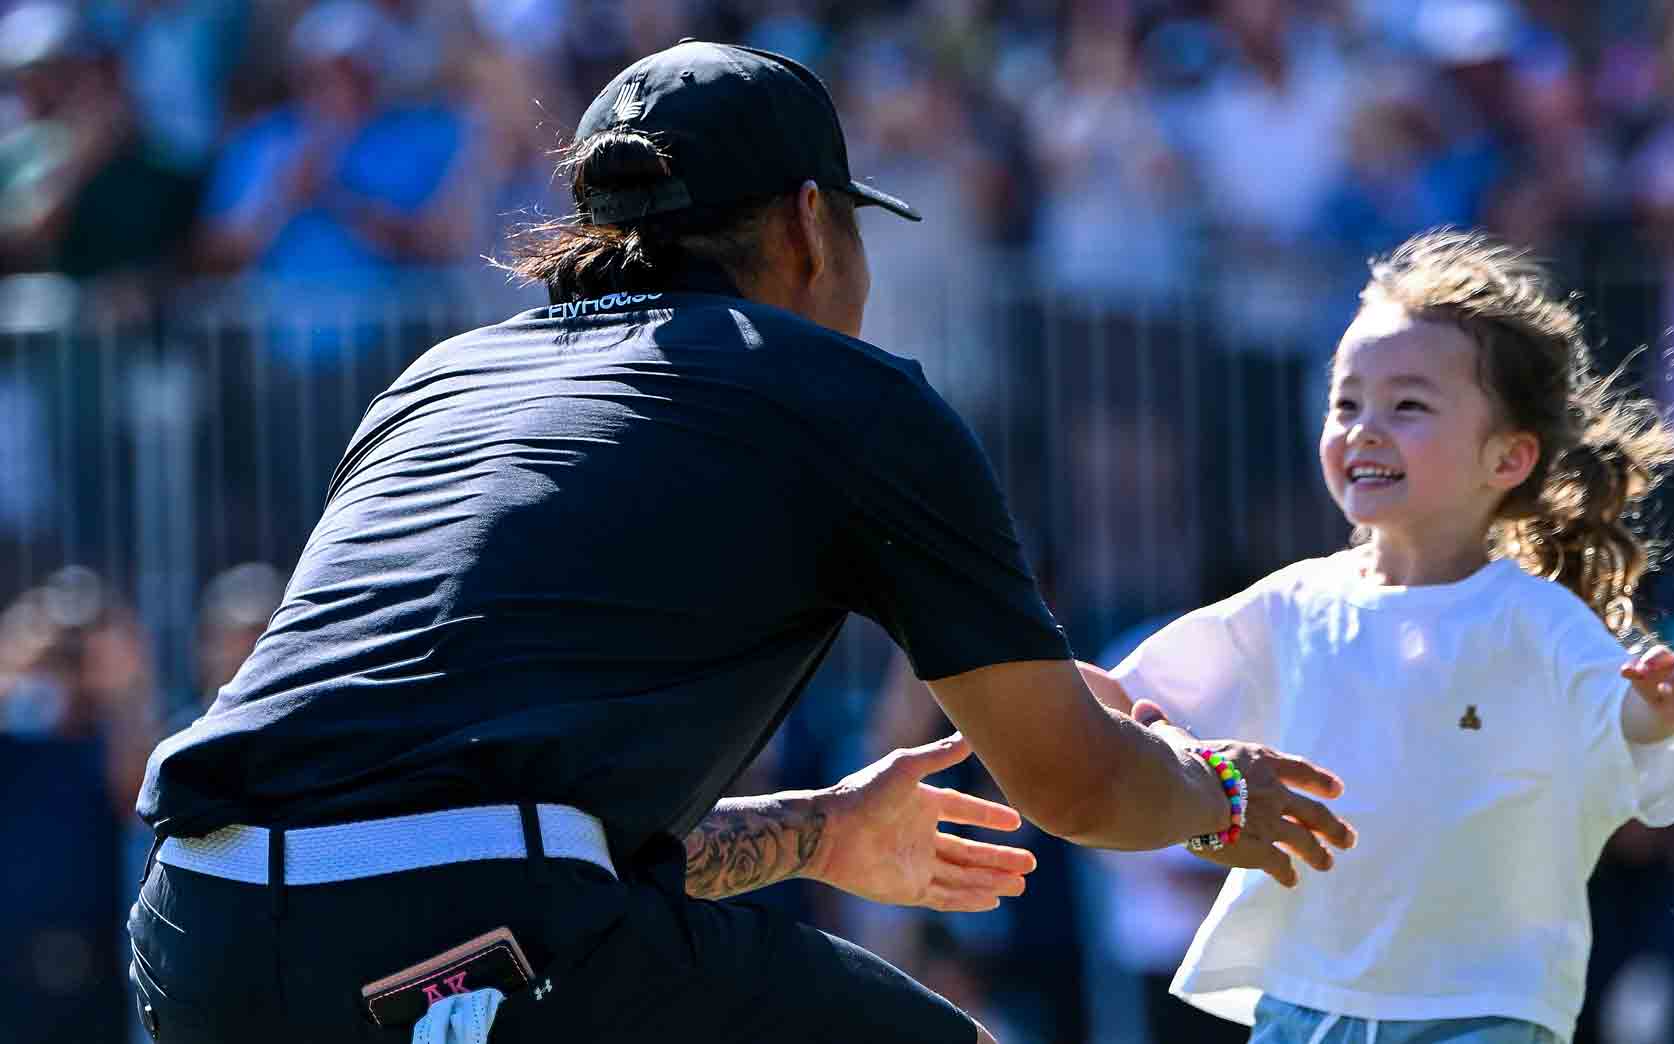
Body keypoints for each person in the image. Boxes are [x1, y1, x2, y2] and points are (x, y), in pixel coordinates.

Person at [129, 41, 1354, 1044]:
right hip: (466, 935)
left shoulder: (437, 380)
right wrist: (1212, 794)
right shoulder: (842, 395)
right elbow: (1075, 783)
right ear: (812, 224)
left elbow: (428, 829)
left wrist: (821, 831)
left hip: (198, 934)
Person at [1083, 229, 1674, 1044]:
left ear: (1508, 458)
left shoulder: (1536, 619)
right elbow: (1129, 696)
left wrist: (1653, 712)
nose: (1364, 429)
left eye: (1408, 406)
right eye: (1346, 404)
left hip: (1482, 1009)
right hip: (1305, 1000)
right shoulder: (1293, 602)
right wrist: (1012, 681)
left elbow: (1612, 722)